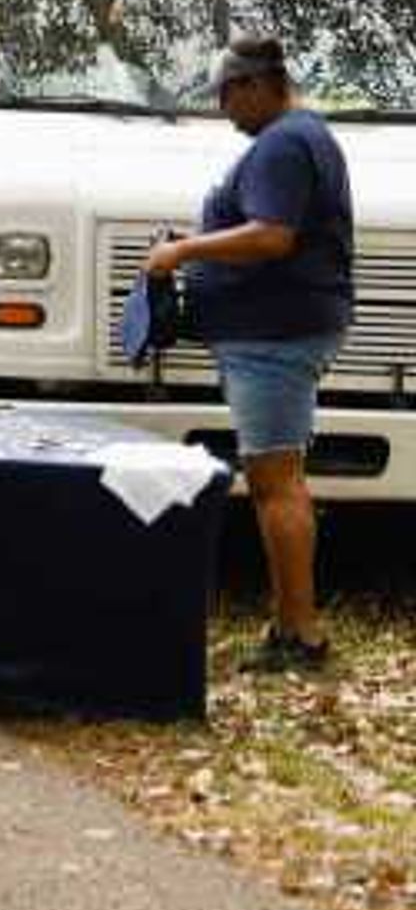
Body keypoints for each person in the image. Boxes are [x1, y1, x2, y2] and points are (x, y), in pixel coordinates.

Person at [146, 35, 352, 673]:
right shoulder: (299, 136)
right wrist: (202, 238)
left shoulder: (285, 143)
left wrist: (185, 254)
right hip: (276, 331)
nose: (221, 107)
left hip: (275, 337)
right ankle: (291, 624)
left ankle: (302, 634)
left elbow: (272, 237)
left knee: (275, 483)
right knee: (276, 478)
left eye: (226, 94)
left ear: (258, 85)